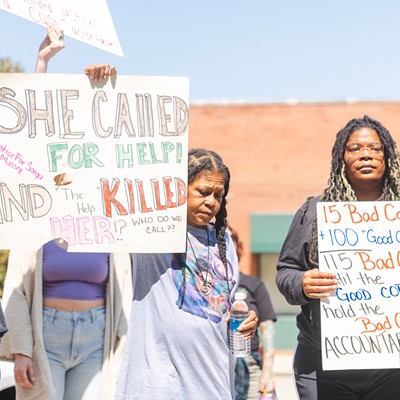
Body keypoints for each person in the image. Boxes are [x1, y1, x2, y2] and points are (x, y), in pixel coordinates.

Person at [0, 25, 132, 400]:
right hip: (46, 333)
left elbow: (122, 136)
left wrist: (105, 91)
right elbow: (32, 134)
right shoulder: (39, 202)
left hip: (97, 334)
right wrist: (43, 62)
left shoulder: (110, 203)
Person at [114, 148, 259, 400]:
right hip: (158, 384)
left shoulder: (224, 241)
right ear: (179, 188)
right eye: (202, 192)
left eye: (218, 195)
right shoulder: (150, 232)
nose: (212, 202)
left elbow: (224, 308)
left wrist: (246, 321)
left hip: (213, 382)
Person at [276, 115, 400, 400]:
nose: (365, 154)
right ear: (341, 158)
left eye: (375, 148)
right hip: (322, 364)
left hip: (392, 368)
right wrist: (302, 283)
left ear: (388, 156)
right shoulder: (315, 210)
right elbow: (286, 271)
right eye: (354, 148)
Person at [228, 225, 277, 400]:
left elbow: (268, 330)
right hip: (215, 363)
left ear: (237, 246)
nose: (225, 243)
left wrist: (268, 372)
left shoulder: (254, 285)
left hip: (249, 362)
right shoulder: (204, 286)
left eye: (230, 238)